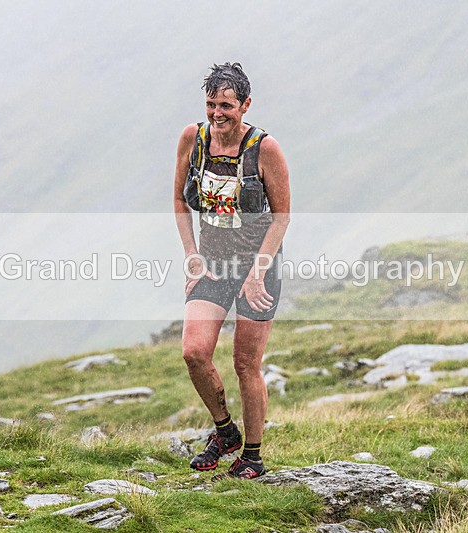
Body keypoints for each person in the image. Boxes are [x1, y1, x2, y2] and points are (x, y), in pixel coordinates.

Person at [173, 62, 290, 480]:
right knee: (194, 352)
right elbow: (179, 202)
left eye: (226, 105)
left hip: (259, 267)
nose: (217, 113)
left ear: (245, 105)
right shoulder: (194, 138)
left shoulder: (265, 148)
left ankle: (253, 456)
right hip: (213, 264)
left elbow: (281, 216)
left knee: (245, 362)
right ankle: (224, 432)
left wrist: (258, 272)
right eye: (211, 104)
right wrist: (191, 254)